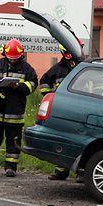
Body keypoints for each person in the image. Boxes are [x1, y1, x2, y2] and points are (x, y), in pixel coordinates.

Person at [0, 38, 38, 177]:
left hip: (15, 113)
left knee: (13, 142)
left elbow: (33, 84)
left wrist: (19, 86)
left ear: (21, 55)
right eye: (10, 58)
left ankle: (11, 168)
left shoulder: (27, 68)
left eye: (15, 58)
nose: (12, 60)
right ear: (5, 54)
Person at [38, 50, 79, 180]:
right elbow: (44, 81)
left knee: (81, 141)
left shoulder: (82, 67)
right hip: (63, 110)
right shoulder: (57, 69)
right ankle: (61, 171)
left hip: (80, 111)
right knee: (62, 140)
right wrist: (49, 96)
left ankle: (82, 173)